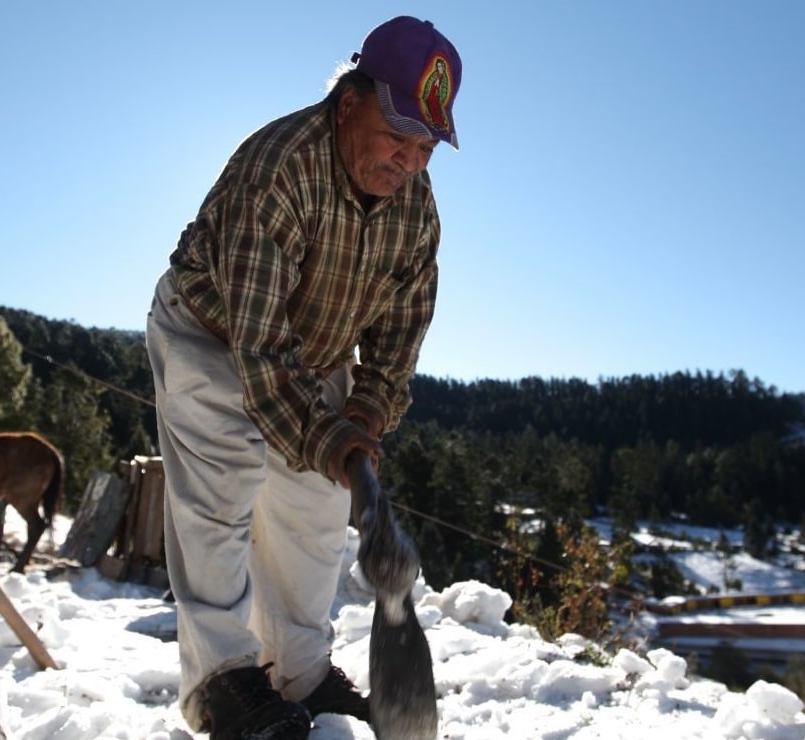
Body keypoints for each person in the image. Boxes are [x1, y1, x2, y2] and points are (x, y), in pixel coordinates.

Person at [146, 15, 462, 740]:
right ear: (348, 101)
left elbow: (399, 335)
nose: (409, 161)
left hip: (316, 354)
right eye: (397, 134)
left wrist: (366, 420)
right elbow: (257, 354)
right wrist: (331, 439)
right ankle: (223, 684)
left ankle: (301, 671)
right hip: (212, 331)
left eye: (427, 146)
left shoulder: (416, 208)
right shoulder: (279, 169)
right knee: (220, 497)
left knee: (316, 515)